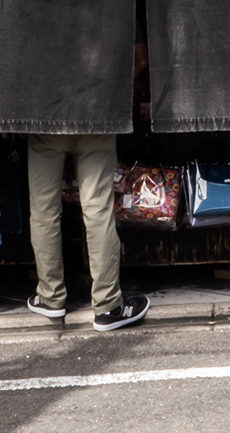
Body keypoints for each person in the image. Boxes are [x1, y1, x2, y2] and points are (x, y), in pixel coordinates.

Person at [25, 133, 150, 332]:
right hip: (95, 124)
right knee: (98, 211)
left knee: (44, 211)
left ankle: (50, 297)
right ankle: (108, 305)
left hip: (46, 124)